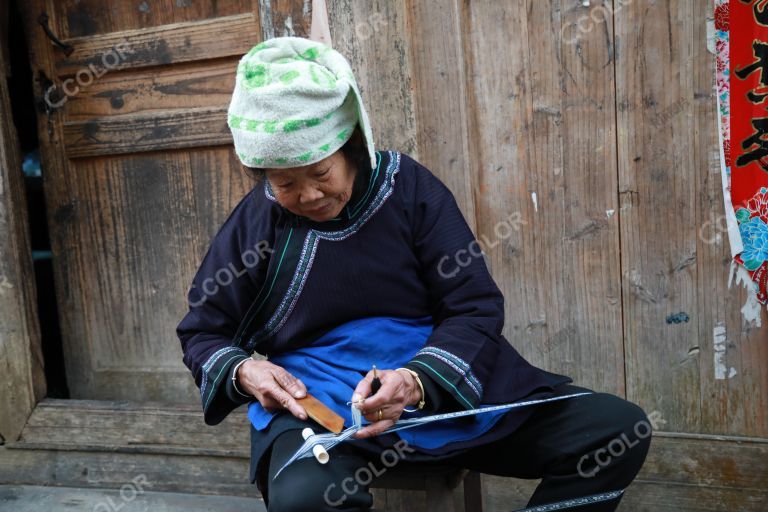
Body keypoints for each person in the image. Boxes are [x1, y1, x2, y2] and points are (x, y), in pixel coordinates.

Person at [176, 36, 651, 512]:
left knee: (618, 429)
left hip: (437, 387)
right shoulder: (257, 222)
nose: (309, 195)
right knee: (304, 501)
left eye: (321, 173)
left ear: (351, 145)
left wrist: (418, 379)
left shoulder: (407, 189)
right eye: (285, 183)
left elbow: (473, 305)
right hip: (319, 407)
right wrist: (245, 370)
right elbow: (203, 330)